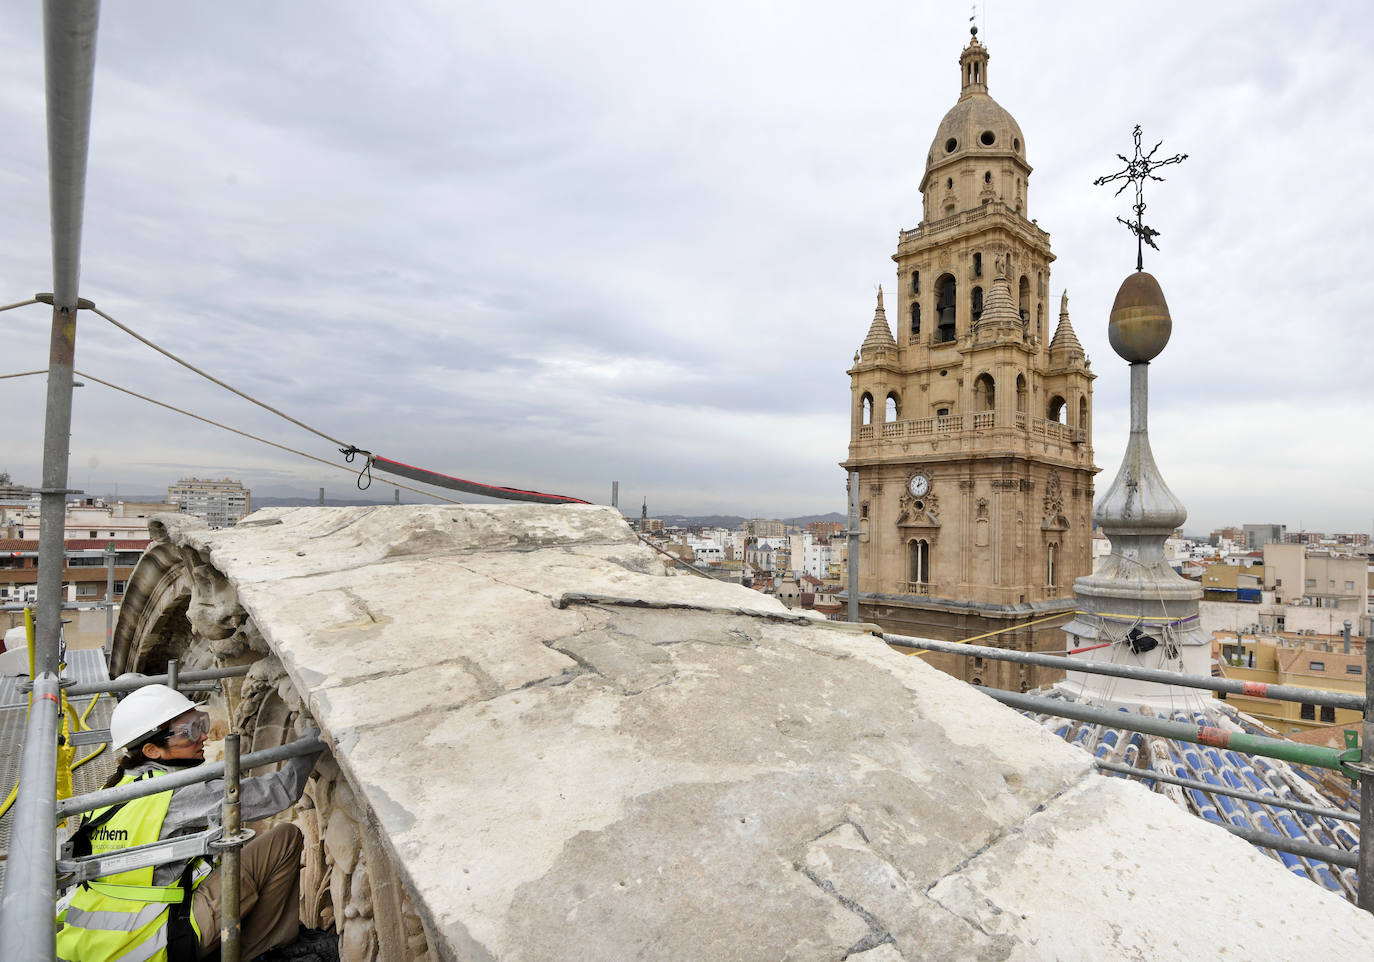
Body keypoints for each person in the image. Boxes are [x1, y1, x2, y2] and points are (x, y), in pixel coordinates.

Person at [56, 684, 323, 961]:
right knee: (284, 839)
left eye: (200, 723)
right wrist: (316, 732)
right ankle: (259, 951)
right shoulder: (178, 792)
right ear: (152, 749)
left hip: (91, 946)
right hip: (157, 942)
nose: (205, 736)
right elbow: (282, 790)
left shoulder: (110, 791)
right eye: (190, 731)